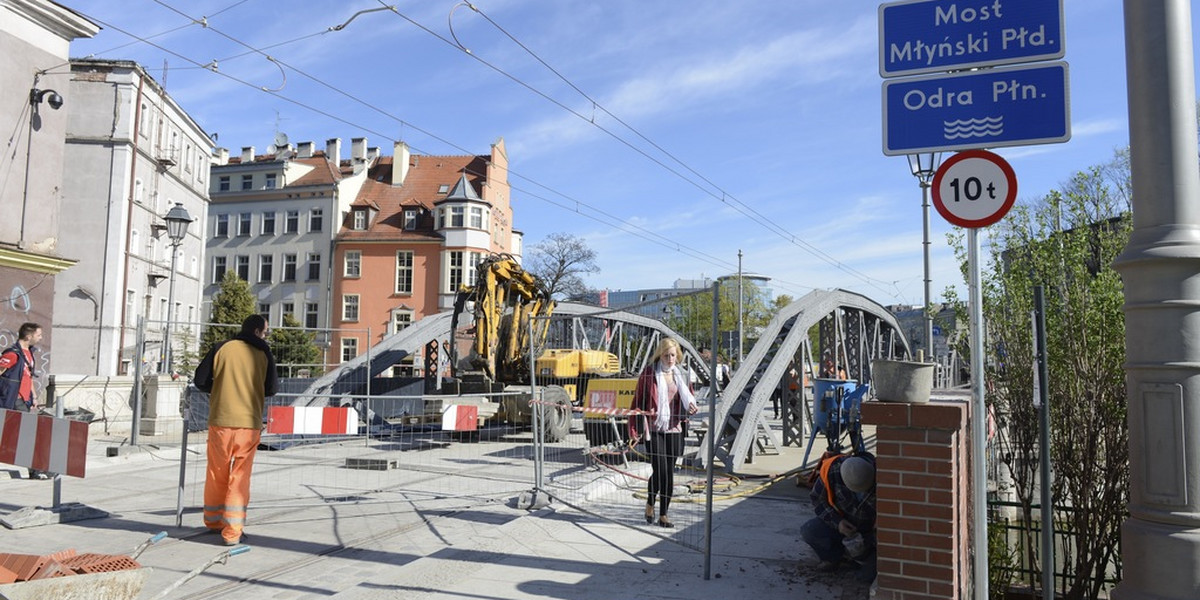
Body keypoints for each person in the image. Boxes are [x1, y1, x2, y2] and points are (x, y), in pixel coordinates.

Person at [194, 314, 278, 546]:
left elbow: (200, 380)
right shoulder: (263, 353)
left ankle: (213, 520)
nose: (265, 335)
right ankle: (232, 532)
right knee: (239, 476)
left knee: (216, 471)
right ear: (258, 332)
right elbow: (272, 388)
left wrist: (219, 386)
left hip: (220, 420)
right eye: (265, 332)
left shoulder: (222, 348)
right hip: (248, 424)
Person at [628, 337, 698, 528]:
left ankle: (664, 515)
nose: (669, 359)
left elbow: (688, 398)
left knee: (669, 474)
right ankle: (651, 503)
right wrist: (634, 426)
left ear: (678, 356)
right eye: (666, 355)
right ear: (660, 355)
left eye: (673, 355)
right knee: (660, 471)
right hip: (654, 429)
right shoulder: (649, 374)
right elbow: (638, 401)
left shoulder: (681, 375)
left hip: (675, 428)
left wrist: (691, 408)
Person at [801, 453, 877, 582]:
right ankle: (835, 558)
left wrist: (872, 538)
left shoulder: (886, 475)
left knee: (865, 578)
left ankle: (863, 558)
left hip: (870, 533)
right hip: (842, 526)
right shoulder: (832, 470)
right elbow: (817, 500)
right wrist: (838, 522)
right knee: (810, 531)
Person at [0, 322, 49, 480]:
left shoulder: (28, 353)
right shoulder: (12, 354)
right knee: (29, 434)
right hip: (14, 400)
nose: (41, 338)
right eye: (38, 335)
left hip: (25, 399)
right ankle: (36, 471)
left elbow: (27, 376)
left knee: (18, 435)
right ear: (29, 336)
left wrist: (33, 395)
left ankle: (36, 469)